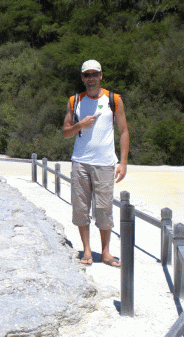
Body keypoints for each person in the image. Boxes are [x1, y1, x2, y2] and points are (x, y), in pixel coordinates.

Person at [62, 60, 130, 268]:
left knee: (104, 209)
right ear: (82, 78)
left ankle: (106, 252)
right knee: (81, 208)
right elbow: (65, 133)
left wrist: (124, 162)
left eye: (94, 74)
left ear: (101, 75)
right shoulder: (75, 101)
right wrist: (81, 124)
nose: (90, 78)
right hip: (80, 162)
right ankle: (87, 250)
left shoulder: (114, 99)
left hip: (105, 163)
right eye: (86, 74)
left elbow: (124, 131)